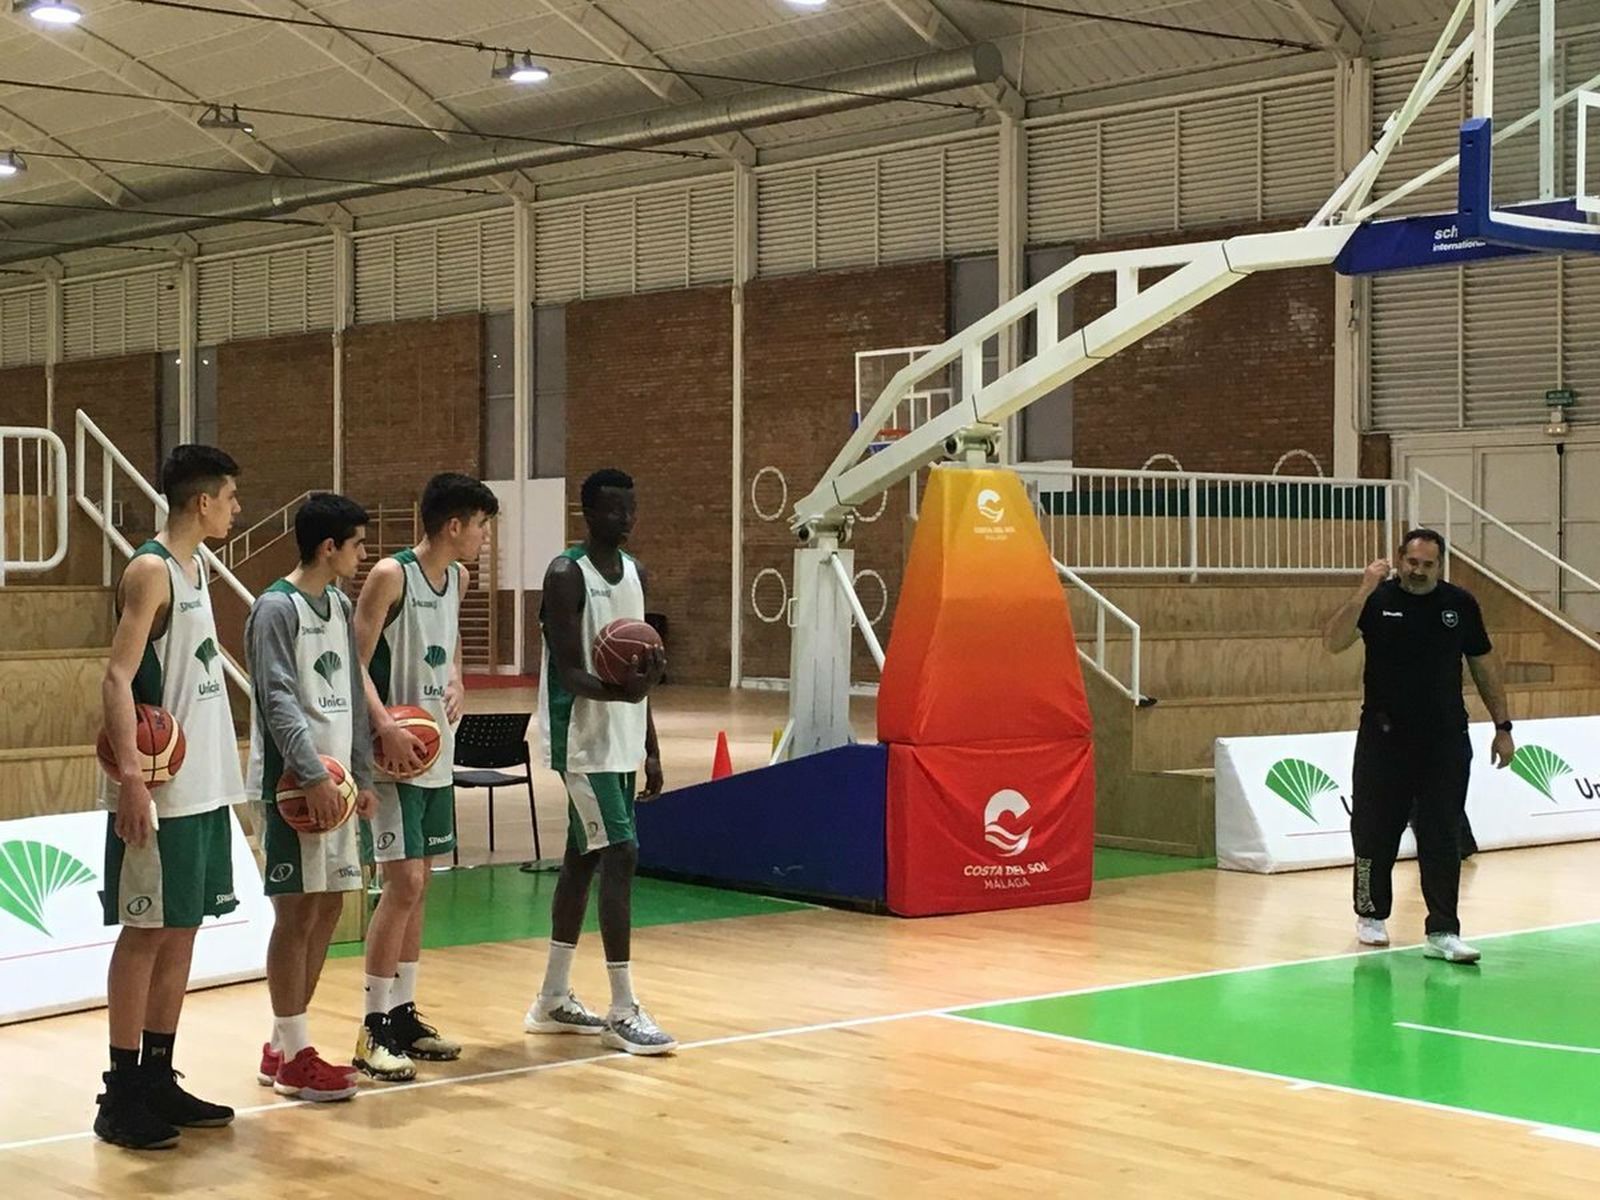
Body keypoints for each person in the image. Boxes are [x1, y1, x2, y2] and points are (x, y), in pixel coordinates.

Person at [94, 445, 246, 1150]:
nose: (236, 509)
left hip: (204, 783)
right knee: (146, 932)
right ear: (201, 503)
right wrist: (130, 778)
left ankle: (158, 1074)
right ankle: (119, 1093)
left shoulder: (195, 567)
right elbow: (117, 678)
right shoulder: (152, 568)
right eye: (230, 497)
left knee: (182, 930)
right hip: (159, 790)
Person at [353, 472, 498, 1079]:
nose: (486, 539)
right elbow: (353, 662)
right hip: (391, 756)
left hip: (435, 749)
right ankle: (372, 1027)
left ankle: (405, 1014)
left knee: (423, 883)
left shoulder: (458, 579)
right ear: (454, 525)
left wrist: (459, 676)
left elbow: (450, 642)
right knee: (403, 883)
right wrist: (383, 724)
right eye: (482, 526)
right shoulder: (391, 576)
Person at [524, 468, 673, 1055]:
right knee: (621, 850)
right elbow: (572, 673)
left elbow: (641, 671)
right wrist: (625, 697)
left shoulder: (636, 573)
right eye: (614, 511)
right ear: (588, 514)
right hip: (579, 740)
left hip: (622, 736)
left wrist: (650, 742)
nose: (626, 520)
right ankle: (622, 1007)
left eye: (631, 510)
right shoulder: (566, 575)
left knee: (581, 860)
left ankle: (552, 998)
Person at [1322, 528, 1515, 964]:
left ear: (1440, 565)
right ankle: (1371, 915)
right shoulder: (1377, 600)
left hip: (1445, 738)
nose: (1419, 571)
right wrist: (1364, 588)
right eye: (1412, 562)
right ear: (1399, 559)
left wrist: (1503, 726)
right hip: (1383, 738)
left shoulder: (1459, 605)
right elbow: (1333, 641)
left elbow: (1483, 665)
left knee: (1442, 834)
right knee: (1374, 829)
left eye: (1428, 565)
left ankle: (1444, 929)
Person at [246, 493, 379, 1103]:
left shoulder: (340, 603)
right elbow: (277, 700)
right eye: (356, 544)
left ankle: (284, 1042)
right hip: (292, 787)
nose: (362, 554)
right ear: (330, 548)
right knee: (296, 912)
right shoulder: (276, 609)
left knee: (328, 910)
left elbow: (349, 695)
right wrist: (313, 776)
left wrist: (361, 777)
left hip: (337, 786)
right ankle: (297, 1054)